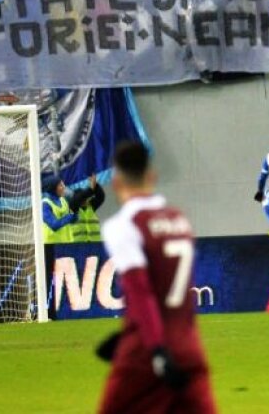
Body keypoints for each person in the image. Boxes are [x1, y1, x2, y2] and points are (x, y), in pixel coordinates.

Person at [96, 140, 215, 414]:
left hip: (147, 352)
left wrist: (157, 351)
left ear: (116, 182)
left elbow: (141, 291)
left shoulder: (123, 225)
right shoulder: (179, 220)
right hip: (189, 348)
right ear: (152, 176)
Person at [68, 173, 107, 243]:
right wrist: (91, 189)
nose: (86, 200)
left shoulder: (90, 207)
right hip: (78, 245)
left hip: (95, 243)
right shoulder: (72, 208)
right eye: (84, 198)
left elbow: (101, 196)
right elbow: (78, 198)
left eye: (86, 198)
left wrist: (96, 186)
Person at [41, 175, 78, 244]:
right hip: (52, 244)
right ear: (53, 188)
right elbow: (54, 225)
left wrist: (75, 211)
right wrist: (71, 215)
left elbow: (73, 221)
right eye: (60, 185)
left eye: (63, 184)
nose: (64, 187)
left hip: (67, 242)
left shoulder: (63, 200)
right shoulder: (45, 204)